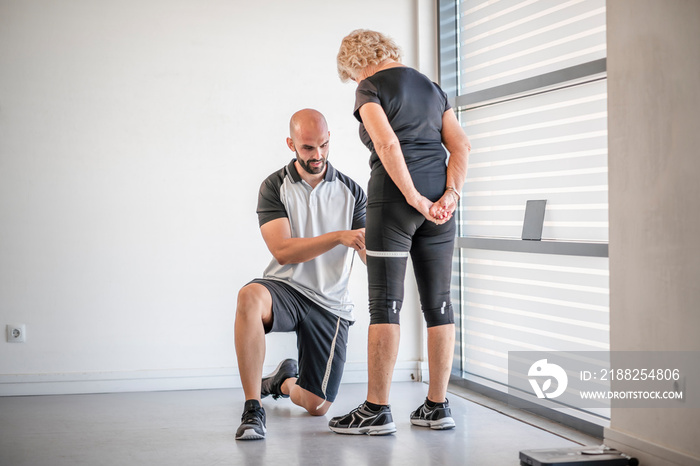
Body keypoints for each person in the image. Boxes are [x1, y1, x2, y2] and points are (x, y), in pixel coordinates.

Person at [328, 29, 471, 435]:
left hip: (395, 201)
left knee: (385, 304)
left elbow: (388, 146)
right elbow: (461, 146)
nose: (355, 83)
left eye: (351, 75)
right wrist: (449, 195)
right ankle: (437, 406)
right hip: (440, 204)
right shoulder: (433, 88)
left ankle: (377, 409)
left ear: (357, 63)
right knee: (439, 303)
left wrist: (413, 198)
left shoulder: (371, 87)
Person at [234, 108, 367, 440]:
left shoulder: (353, 192)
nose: (317, 155)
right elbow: (283, 250)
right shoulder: (274, 186)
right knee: (249, 296)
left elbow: (368, 253)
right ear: (291, 143)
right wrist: (338, 236)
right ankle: (253, 407)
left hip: (330, 301)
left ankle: (282, 381)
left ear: (330, 139)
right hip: (286, 288)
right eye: (308, 148)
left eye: (323, 145)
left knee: (316, 405)